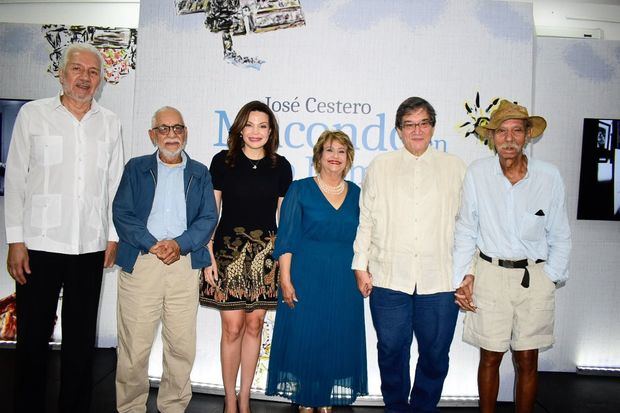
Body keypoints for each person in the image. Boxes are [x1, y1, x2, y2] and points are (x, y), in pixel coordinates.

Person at [4, 42, 124, 412]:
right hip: (39, 244)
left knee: (80, 341)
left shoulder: (110, 122)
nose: (84, 78)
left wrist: (113, 236)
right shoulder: (33, 115)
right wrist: (15, 240)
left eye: (92, 72)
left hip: (88, 246)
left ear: (101, 80)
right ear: (62, 73)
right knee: (32, 338)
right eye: (78, 69)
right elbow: (17, 180)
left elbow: (114, 185)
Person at [452, 100, 571, 413]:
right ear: (492, 137)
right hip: (489, 274)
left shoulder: (549, 176)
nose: (508, 138)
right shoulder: (478, 173)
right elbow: (466, 227)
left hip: (535, 277)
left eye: (516, 130)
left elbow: (560, 231)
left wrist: (551, 276)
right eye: (501, 131)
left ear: (528, 135)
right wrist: (463, 276)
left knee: (528, 358)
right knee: (490, 356)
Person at [352, 97, 466, 413]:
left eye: (423, 123)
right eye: (409, 124)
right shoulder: (381, 166)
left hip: (441, 279)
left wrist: (468, 272)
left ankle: (423, 407)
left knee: (435, 352)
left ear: (432, 127)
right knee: (391, 349)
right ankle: (396, 407)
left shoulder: (454, 167)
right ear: (399, 130)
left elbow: (467, 224)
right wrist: (360, 265)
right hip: (389, 277)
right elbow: (366, 220)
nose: (417, 130)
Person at [112, 106, 218, 412]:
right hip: (143, 263)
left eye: (178, 128)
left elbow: (208, 217)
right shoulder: (135, 168)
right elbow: (123, 213)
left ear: (185, 133)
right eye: (164, 128)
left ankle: (173, 406)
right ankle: (130, 407)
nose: (171, 135)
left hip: (183, 265)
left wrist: (180, 244)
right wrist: (153, 243)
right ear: (152, 134)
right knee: (135, 344)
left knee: (181, 345)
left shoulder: (199, 173)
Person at [266, 130, 368, 412]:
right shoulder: (299, 189)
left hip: (343, 279)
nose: (335, 156)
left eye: (341, 151)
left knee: (333, 335)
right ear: (319, 156)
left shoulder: (358, 194)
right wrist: (285, 279)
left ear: (348, 159)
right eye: (329, 150)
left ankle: (323, 395)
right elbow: (286, 238)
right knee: (305, 336)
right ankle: (306, 396)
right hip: (305, 275)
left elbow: (365, 238)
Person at [201, 100, 292, 413]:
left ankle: (245, 399)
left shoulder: (281, 167)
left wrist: (288, 256)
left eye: (263, 126)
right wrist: (208, 254)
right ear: (239, 128)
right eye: (250, 125)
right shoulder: (222, 162)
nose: (256, 132)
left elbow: (285, 216)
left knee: (255, 327)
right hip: (227, 253)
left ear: (271, 132)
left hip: (266, 256)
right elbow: (211, 213)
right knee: (233, 328)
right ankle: (229, 400)